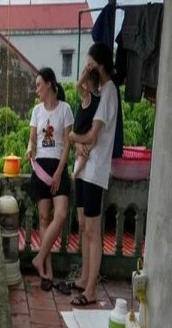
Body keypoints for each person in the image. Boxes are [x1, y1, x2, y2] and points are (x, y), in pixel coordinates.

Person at [68, 42, 118, 306]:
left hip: (96, 170)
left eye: (89, 65)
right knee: (85, 228)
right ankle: (85, 278)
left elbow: (91, 135)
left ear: (99, 64)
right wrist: (79, 141)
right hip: (87, 169)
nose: (87, 71)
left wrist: (74, 137)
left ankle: (91, 289)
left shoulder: (109, 93)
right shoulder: (103, 91)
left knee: (93, 230)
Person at [26, 67, 74, 291]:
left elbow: (66, 145)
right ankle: (47, 271)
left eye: (38, 85)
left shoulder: (65, 109)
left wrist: (58, 173)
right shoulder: (36, 111)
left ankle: (39, 258)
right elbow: (32, 139)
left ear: (50, 84)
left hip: (58, 167)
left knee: (61, 214)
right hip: (41, 166)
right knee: (44, 219)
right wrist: (29, 150)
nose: (36, 89)